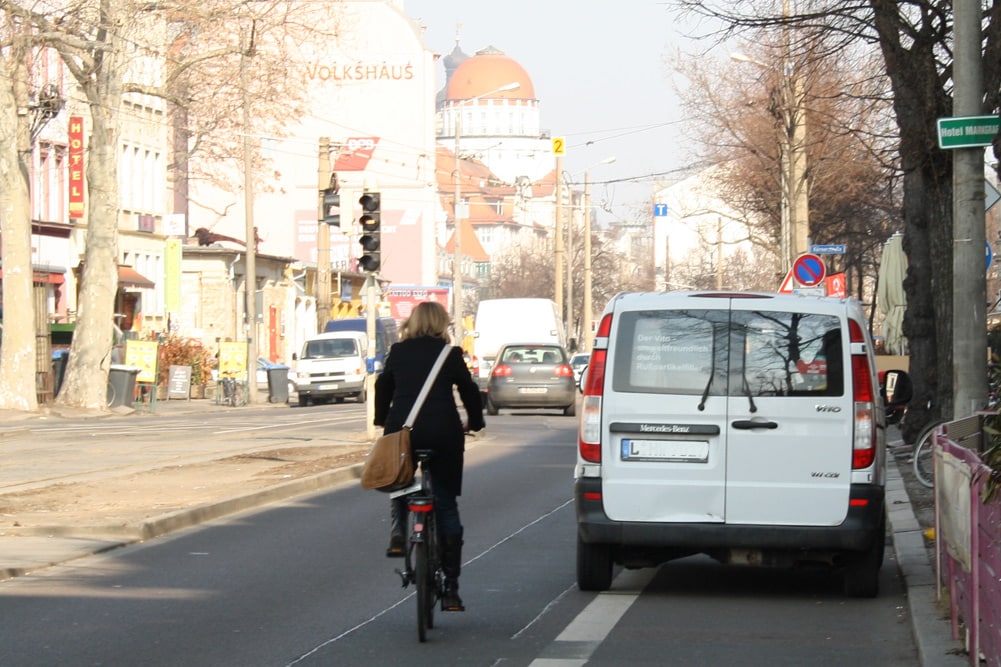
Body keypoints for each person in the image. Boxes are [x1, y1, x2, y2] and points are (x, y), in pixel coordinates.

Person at [374, 301, 485, 612]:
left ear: (413, 322)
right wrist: (474, 423)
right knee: (446, 502)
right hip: (443, 432)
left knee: (401, 479)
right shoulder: (449, 355)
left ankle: (398, 527)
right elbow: (469, 391)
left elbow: (383, 387)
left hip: (404, 431)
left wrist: (384, 420)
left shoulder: (398, 352)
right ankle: (451, 587)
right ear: (441, 324)